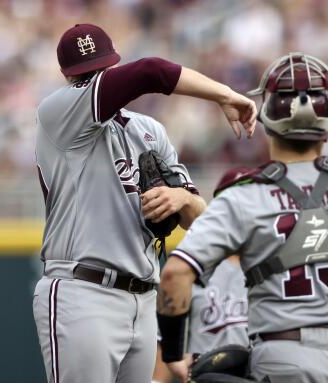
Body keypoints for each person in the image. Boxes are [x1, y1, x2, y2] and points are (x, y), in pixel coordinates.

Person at [32, 23, 256, 383]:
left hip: (143, 296)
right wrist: (224, 95)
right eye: (82, 76)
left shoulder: (147, 130)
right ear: (67, 79)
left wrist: (182, 196)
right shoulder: (56, 115)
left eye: (98, 71)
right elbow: (150, 71)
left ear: (112, 64)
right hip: (83, 290)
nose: (90, 81)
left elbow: (201, 220)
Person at [156, 52, 328, 383]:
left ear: (267, 116)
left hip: (283, 358)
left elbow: (175, 276)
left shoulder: (243, 195)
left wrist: (172, 356)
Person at [152, 255, 248, 383]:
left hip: (251, 374)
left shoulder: (266, 270)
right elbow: (164, 341)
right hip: (202, 375)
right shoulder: (190, 269)